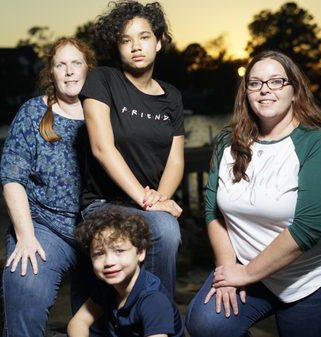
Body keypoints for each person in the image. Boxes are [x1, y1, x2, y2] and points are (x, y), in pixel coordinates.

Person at [185, 51, 321, 337]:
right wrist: (228, 269)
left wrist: (246, 274)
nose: (265, 89)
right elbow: (212, 208)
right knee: (206, 325)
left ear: (294, 90)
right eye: (255, 83)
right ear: (246, 92)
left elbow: (309, 227)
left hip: (310, 281)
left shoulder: (317, 142)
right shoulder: (228, 140)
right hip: (252, 277)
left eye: (276, 81)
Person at [78, 0, 184, 297]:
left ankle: (157, 321)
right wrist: (149, 203)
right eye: (126, 40)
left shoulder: (172, 96)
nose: (136, 46)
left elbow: (175, 160)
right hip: (103, 201)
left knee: (165, 230)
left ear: (159, 42)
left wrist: (160, 199)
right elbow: (102, 148)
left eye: (144, 37)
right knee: (162, 228)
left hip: (149, 200)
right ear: (118, 46)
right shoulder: (102, 80)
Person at [0, 37, 96, 337]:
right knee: (24, 279)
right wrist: (25, 236)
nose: (69, 71)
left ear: (89, 69)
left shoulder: (103, 115)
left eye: (76, 63)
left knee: (103, 315)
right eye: (60, 65)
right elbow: (11, 177)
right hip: (46, 225)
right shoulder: (33, 113)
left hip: (96, 226)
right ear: (51, 73)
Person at [68, 208, 184, 337]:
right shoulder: (107, 287)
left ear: (140, 253)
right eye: (99, 253)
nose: (109, 262)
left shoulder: (153, 300)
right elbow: (79, 321)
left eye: (119, 251)